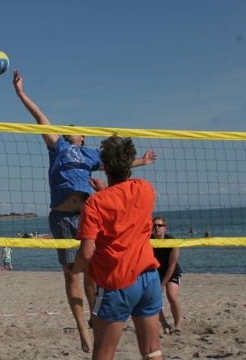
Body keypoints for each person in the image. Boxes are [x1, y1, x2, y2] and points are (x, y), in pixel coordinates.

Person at [12, 70, 157, 352]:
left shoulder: (90, 154)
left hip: (85, 215)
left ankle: (95, 318)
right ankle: (82, 331)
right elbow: (40, 117)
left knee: (92, 272)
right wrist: (20, 93)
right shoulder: (58, 147)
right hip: (62, 217)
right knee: (71, 275)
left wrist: (142, 161)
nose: (69, 129)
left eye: (74, 129)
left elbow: (117, 164)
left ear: (82, 136)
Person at [73, 134, 163, 360]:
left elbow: (86, 253)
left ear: (104, 166)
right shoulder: (145, 189)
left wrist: (73, 270)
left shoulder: (95, 203)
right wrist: (106, 191)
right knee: (152, 351)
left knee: (103, 355)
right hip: (149, 278)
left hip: (117, 281)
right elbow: (124, 205)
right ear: (129, 164)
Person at [151, 216, 183, 335]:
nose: (157, 227)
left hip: (171, 271)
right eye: (154, 225)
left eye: (160, 225)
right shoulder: (147, 240)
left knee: (171, 296)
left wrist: (162, 284)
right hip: (155, 271)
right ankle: (164, 323)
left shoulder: (172, 242)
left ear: (165, 228)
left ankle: (177, 324)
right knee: (153, 299)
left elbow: (171, 265)